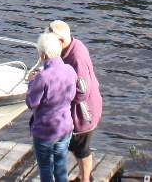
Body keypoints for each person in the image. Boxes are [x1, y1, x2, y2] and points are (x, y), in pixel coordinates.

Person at [50, 20, 103, 182]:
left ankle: (85, 179)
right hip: (76, 111)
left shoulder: (77, 58)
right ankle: (83, 176)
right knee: (74, 146)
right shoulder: (72, 45)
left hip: (83, 113)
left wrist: (59, 95)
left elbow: (82, 91)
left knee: (81, 148)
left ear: (61, 41)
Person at [26, 31, 76, 182]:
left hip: (45, 130)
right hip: (65, 126)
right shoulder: (70, 70)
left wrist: (31, 83)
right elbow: (72, 95)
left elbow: (31, 102)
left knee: (46, 168)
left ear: (43, 55)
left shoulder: (42, 77)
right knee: (61, 166)